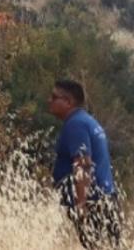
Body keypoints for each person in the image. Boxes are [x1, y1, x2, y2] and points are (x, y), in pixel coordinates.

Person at [48, 79, 121, 249]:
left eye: (54, 97)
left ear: (68, 102)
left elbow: (83, 164)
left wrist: (81, 204)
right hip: (106, 199)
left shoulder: (75, 125)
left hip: (93, 203)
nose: (49, 100)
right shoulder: (87, 121)